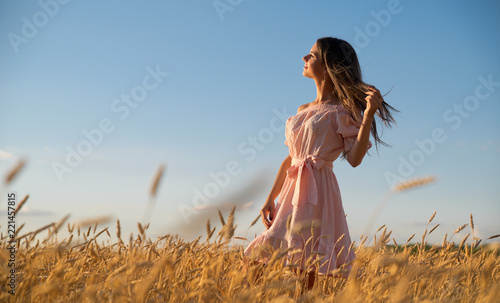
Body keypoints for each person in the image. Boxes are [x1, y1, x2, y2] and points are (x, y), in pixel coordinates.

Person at [243, 37, 398, 290]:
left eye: (312, 55)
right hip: (290, 192)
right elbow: (290, 158)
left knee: (305, 264)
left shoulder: (343, 110)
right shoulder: (303, 108)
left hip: (318, 192)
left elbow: (355, 159)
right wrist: (270, 199)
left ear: (328, 66)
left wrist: (368, 115)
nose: (305, 58)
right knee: (257, 259)